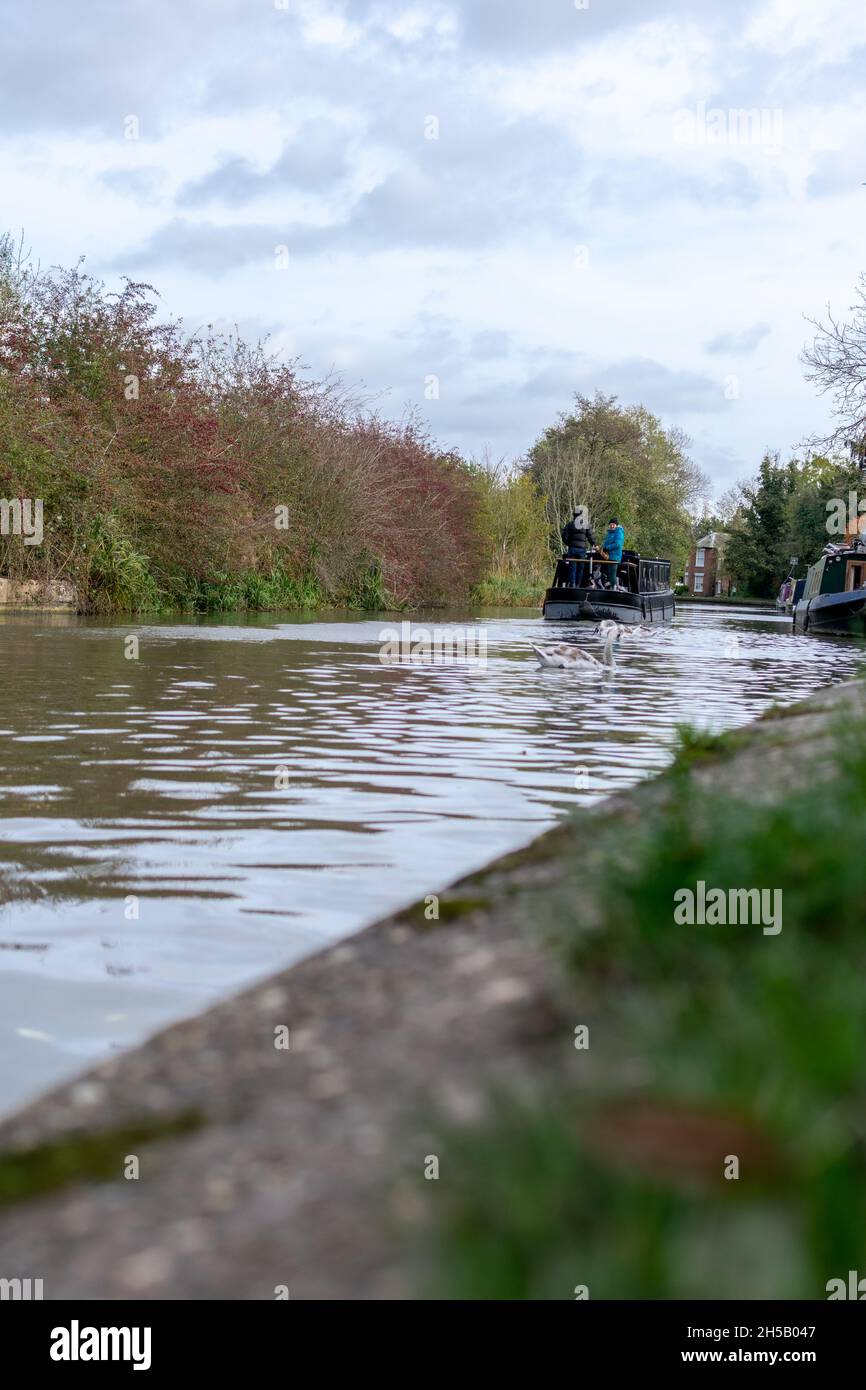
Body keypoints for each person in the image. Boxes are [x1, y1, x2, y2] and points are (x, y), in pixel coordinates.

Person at [560, 512, 595, 587]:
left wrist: (569, 543)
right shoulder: (586, 524)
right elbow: (590, 536)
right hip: (582, 550)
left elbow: (564, 536)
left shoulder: (570, 524)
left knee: (572, 567)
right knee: (580, 568)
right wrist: (594, 544)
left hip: (572, 549)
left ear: (574, 516)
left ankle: (572, 584)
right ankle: (578, 585)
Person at [600, 517, 625, 588]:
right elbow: (606, 543)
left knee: (612, 574)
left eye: (613, 524)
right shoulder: (609, 533)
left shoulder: (619, 532)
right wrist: (602, 547)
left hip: (615, 556)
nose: (612, 526)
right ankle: (610, 587)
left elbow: (618, 544)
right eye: (611, 524)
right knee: (608, 573)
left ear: (616, 525)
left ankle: (614, 588)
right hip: (608, 556)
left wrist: (606, 547)